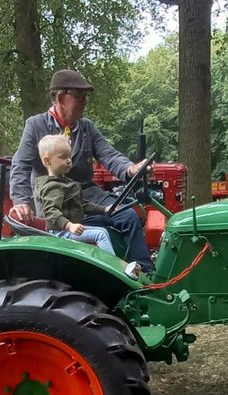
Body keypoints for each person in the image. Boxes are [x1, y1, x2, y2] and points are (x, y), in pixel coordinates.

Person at [9, 69, 154, 272]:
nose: (85, 101)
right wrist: (21, 202)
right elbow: (20, 165)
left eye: (86, 96)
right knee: (101, 229)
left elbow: (109, 155)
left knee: (129, 215)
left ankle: (146, 273)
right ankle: (111, 273)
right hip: (57, 202)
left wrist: (131, 169)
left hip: (88, 196)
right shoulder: (36, 125)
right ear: (60, 97)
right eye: (79, 96)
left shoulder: (86, 127)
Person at [33, 135, 114, 253]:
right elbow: (51, 212)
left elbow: (82, 204)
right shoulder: (52, 186)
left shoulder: (65, 182)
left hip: (68, 228)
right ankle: (111, 268)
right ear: (47, 161)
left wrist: (103, 209)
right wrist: (69, 226)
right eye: (63, 157)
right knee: (100, 234)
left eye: (69, 157)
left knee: (105, 230)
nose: (68, 160)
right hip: (59, 232)